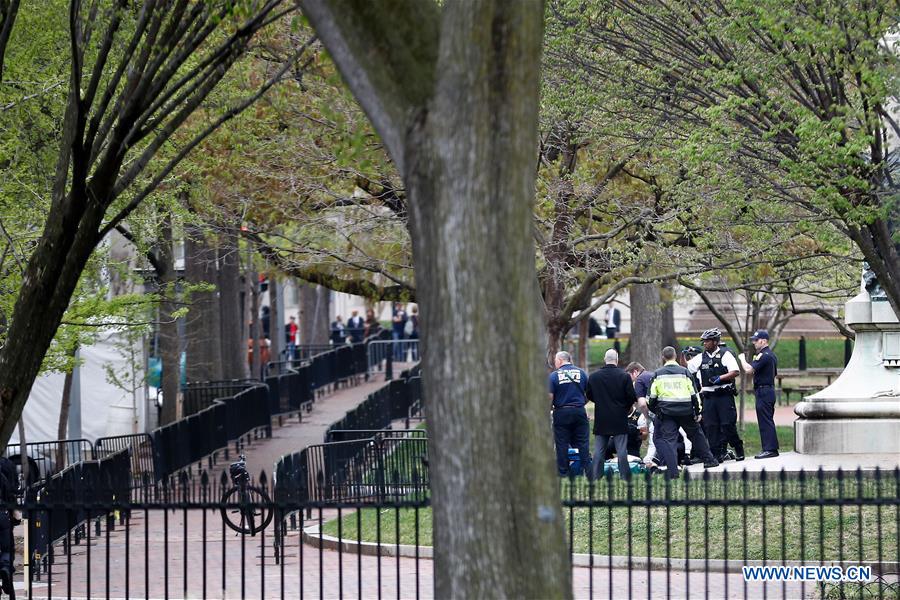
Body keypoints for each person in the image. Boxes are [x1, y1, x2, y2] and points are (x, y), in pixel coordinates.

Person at [648, 346, 719, 478]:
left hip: (667, 412)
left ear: (663, 358)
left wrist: (657, 410)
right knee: (696, 434)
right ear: (675, 356)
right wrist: (697, 411)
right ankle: (709, 460)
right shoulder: (685, 372)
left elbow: (651, 398)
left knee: (669, 441)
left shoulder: (658, 374)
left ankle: (673, 472)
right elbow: (694, 394)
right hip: (686, 411)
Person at [687, 328, 745, 462]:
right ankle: (716, 454)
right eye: (704, 342)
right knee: (711, 426)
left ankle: (738, 447)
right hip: (708, 397)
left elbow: (735, 371)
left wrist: (721, 378)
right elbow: (688, 368)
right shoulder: (701, 357)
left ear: (715, 342)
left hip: (724, 396)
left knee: (727, 424)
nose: (704, 344)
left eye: (706, 341)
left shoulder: (725, 354)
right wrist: (683, 356)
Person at [586, 349, 636, 479]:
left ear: (604, 359)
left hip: (602, 417)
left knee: (598, 451)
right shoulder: (624, 376)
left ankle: (596, 476)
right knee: (621, 451)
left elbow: (589, 395)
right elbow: (631, 397)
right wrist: (623, 408)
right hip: (619, 417)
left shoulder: (594, 376)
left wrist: (601, 402)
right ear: (617, 359)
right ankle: (625, 476)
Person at [548, 351, 592, 479]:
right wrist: (581, 403)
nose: (555, 363)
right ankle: (587, 472)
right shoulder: (582, 373)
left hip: (561, 412)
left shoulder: (553, 376)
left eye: (556, 360)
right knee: (583, 443)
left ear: (560, 360)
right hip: (579, 411)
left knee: (561, 443)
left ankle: (563, 474)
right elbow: (589, 393)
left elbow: (549, 396)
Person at [739, 329, 780, 459]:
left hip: (764, 390)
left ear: (763, 340)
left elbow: (748, 370)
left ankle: (770, 449)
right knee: (766, 420)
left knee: (765, 421)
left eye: (756, 340)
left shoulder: (764, 355)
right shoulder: (771, 355)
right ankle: (769, 448)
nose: (754, 343)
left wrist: (741, 359)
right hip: (766, 390)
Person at [0, 456, 16, 596]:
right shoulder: (7, 466)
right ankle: (5, 567)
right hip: (3, 514)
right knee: (7, 548)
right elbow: (11, 492)